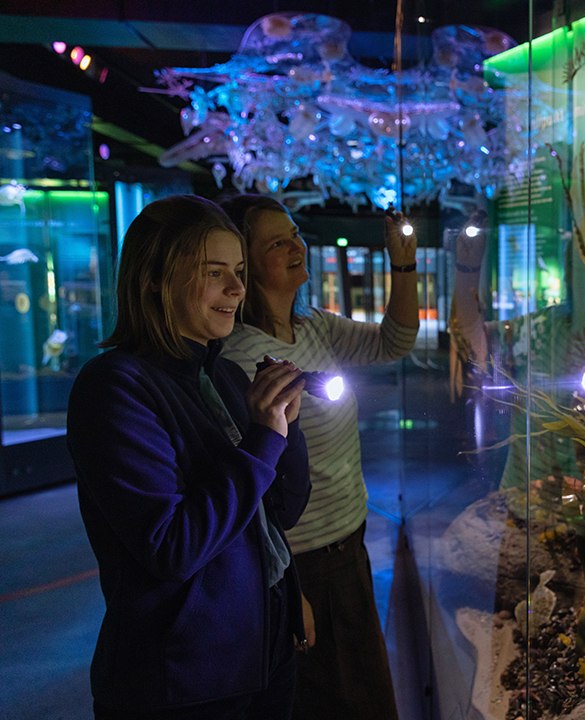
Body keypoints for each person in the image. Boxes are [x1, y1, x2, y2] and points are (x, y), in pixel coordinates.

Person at [67, 194, 312, 719]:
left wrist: (286, 425)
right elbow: (172, 547)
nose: (237, 288)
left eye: (240, 270)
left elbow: (280, 512)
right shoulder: (114, 387)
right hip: (184, 683)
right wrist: (264, 439)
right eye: (214, 272)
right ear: (155, 277)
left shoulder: (221, 373)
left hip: (262, 655)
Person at [218, 194, 419, 720]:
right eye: (275, 242)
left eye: (295, 234)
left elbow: (395, 340)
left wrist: (403, 261)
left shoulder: (315, 327)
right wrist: (285, 583)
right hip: (304, 567)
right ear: (243, 261)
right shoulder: (239, 353)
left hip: (348, 548)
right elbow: (249, 484)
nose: (294, 247)